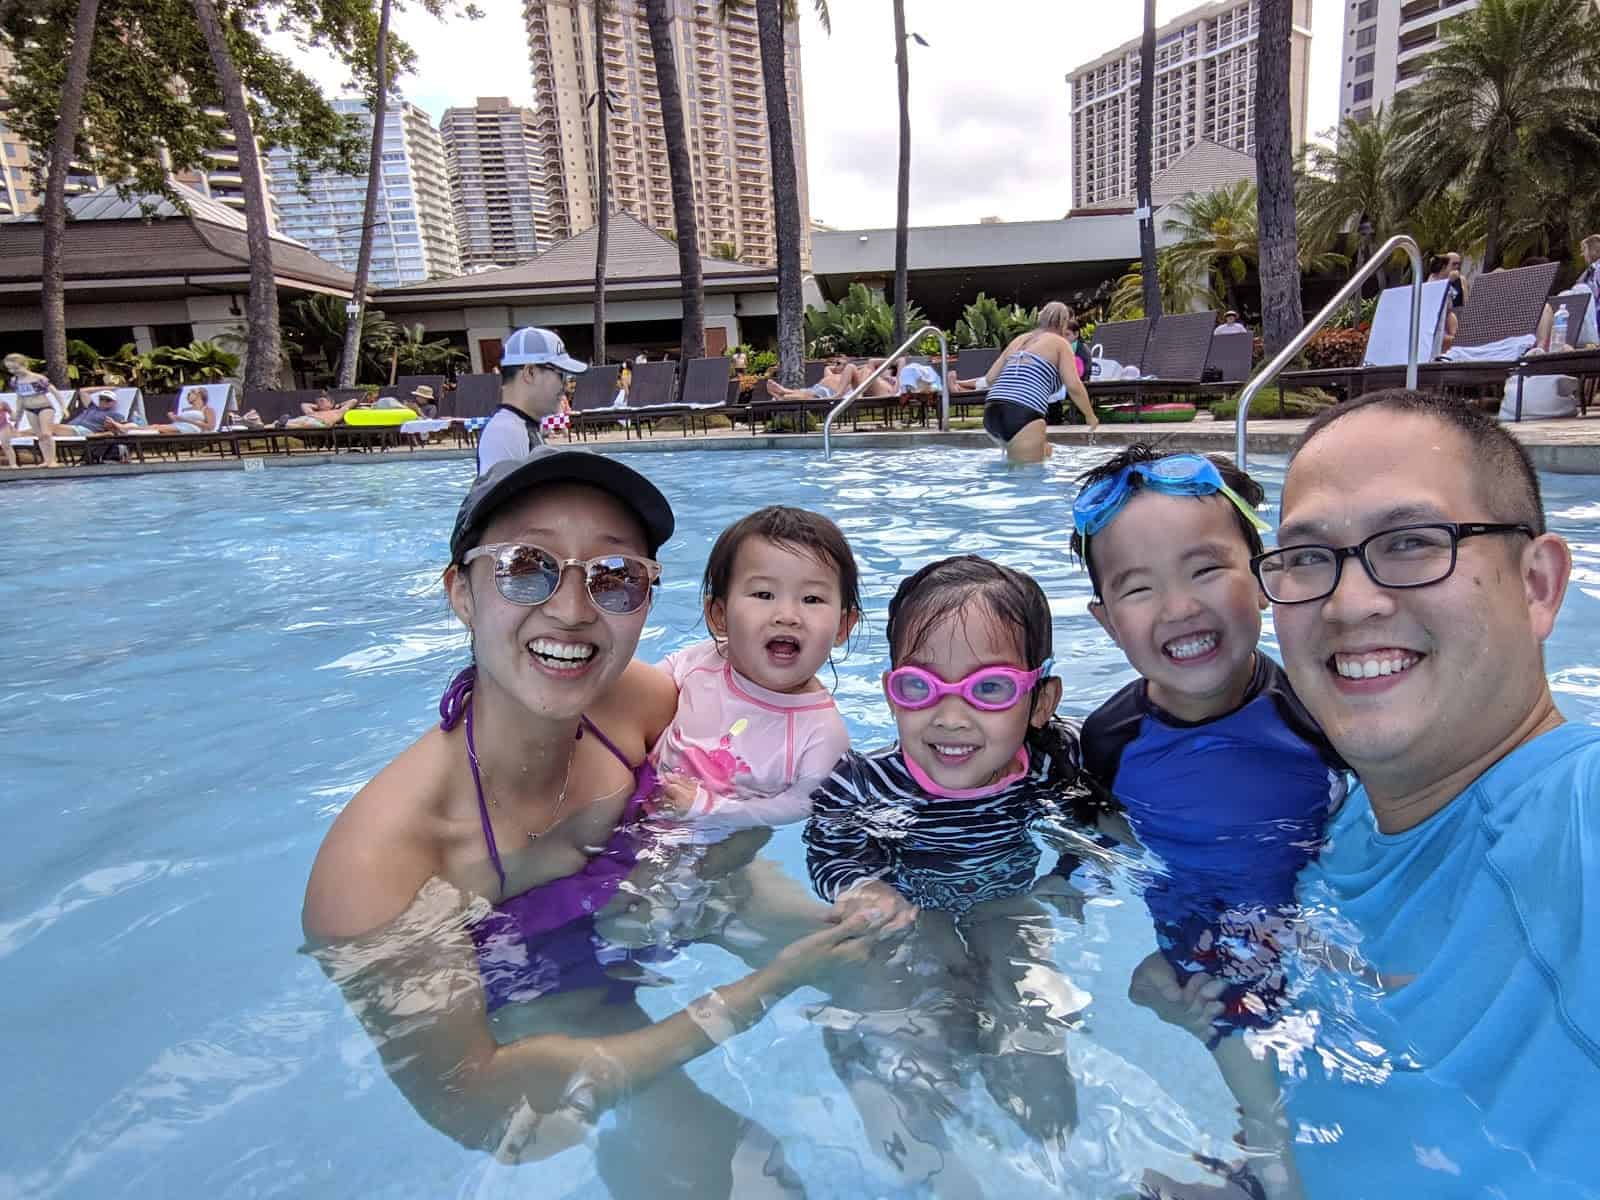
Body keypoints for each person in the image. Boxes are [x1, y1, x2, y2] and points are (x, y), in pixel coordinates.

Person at [302, 447, 875, 1189]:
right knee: (738, 1177)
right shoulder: (376, 867)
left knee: (900, 971)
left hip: (680, 904)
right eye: (524, 566)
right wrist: (765, 987)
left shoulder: (638, 702)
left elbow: (732, 817)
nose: (572, 610)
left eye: (614, 578)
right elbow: (480, 1110)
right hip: (546, 1009)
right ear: (462, 593)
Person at [1154, 391, 1600, 1195]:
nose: (1351, 602)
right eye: (1308, 558)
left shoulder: (1574, 814)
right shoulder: (1344, 818)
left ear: (1537, 585)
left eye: (1412, 544)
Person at [1065, 446, 1346, 1198]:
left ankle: (1271, 1170)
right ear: (1105, 621)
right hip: (1197, 930)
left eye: (1204, 569)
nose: (1180, 607)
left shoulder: (1318, 716)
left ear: (1265, 578)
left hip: (1305, 922)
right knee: (1165, 990)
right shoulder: (1110, 738)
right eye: (1138, 587)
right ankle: (1269, 1164)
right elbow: (1101, 835)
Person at [803, 556, 1110, 1184]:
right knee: (924, 1012)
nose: (949, 717)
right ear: (892, 689)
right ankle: (928, 1150)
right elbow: (829, 840)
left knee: (1030, 1011)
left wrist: (1074, 878)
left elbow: (1098, 825)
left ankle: (1059, 1154)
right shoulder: (866, 783)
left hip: (1009, 899)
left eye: (989, 689)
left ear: (1040, 700)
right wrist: (863, 887)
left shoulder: (1063, 759)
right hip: (920, 907)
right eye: (919, 687)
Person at [601, 505, 861, 949]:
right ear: (719, 615)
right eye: (763, 595)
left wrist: (712, 809)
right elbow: (634, 702)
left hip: (721, 839)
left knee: (638, 930)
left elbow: (801, 806)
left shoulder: (822, 732)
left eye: (812, 599)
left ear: (842, 626)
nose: (788, 615)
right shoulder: (698, 663)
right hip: (642, 811)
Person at [947, 301, 1098, 462]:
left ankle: (1041, 449)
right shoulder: (1060, 343)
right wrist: (1090, 416)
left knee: (1042, 453)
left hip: (992, 413)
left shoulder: (1019, 340)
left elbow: (990, 378)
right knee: (1028, 480)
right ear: (1064, 322)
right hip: (1022, 413)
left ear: (1041, 318)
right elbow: (1073, 385)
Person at [478, 327, 586, 472]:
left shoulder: (523, 427)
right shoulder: (505, 433)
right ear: (530, 372)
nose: (565, 385)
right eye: (561, 374)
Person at [4, 351, 65, 467]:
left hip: (44, 408)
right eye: (10, 369)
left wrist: (63, 407)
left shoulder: (37, 378)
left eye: (15, 368)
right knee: (40, 436)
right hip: (29, 409)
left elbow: (55, 392)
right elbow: (20, 399)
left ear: (24, 365)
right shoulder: (15, 381)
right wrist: (18, 417)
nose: (13, 372)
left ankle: (53, 460)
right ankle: (46, 460)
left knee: (46, 434)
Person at [109, 386, 214, 435]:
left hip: (192, 428)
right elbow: (178, 421)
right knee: (157, 427)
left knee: (158, 427)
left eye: (191, 393)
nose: (188, 395)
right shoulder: (186, 409)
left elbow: (210, 427)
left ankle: (124, 428)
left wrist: (184, 420)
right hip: (179, 427)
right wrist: (174, 418)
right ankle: (127, 429)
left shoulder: (207, 409)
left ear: (200, 395)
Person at [1427, 252, 1467, 350]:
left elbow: (1462, 301)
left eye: (1459, 264)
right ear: (1445, 266)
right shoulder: (1434, 280)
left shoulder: (1461, 280)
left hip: (1455, 314)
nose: (1456, 267)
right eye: (1454, 264)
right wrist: (1448, 280)